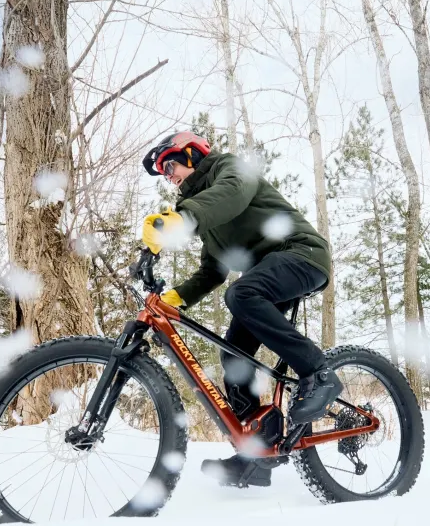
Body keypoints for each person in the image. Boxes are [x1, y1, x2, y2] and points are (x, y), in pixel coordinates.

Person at [141, 131, 341, 487]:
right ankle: (256, 453)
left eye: (169, 165)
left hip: (302, 253)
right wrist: (178, 297)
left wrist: (183, 218)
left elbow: (230, 194)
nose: (167, 176)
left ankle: (319, 372)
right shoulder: (209, 216)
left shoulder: (227, 170)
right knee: (234, 354)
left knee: (241, 294)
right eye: (163, 172)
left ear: (192, 154)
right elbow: (212, 270)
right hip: (269, 274)